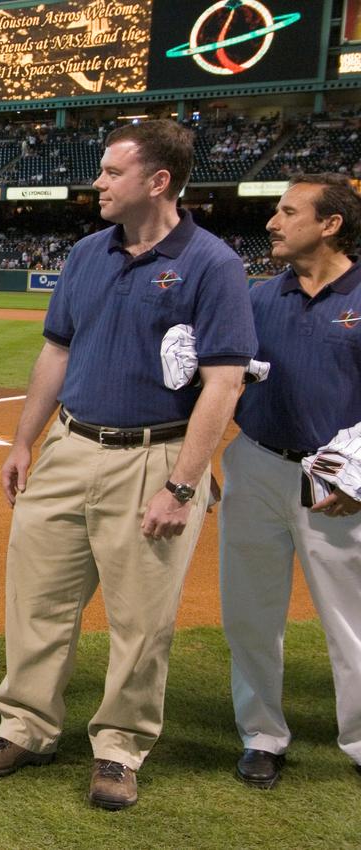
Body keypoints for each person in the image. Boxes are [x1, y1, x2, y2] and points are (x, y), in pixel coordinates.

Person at [0, 120, 257, 809]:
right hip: (69, 445)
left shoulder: (212, 264)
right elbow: (56, 352)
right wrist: (22, 441)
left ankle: (120, 747)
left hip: (155, 456)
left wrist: (183, 484)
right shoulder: (87, 252)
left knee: (140, 621)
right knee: (35, 601)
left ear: (158, 181)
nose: (97, 182)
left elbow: (223, 383)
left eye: (111, 172)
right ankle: (26, 727)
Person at [219, 173, 361, 789]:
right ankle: (262, 735)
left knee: (349, 618)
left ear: (330, 224)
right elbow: (223, 381)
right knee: (250, 612)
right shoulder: (257, 297)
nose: (273, 223)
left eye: (287, 212)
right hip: (255, 462)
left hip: (335, 474)